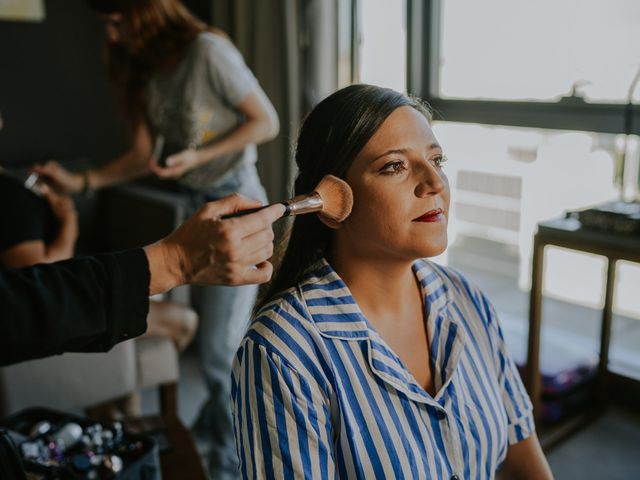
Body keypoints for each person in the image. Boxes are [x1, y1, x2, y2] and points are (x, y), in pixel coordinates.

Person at [231, 85, 554, 479]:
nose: (433, 181)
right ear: (331, 203)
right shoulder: (283, 352)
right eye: (394, 166)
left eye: (437, 159)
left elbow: (521, 449)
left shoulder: (468, 300)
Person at [33, 1, 279, 474]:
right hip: (193, 208)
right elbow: (141, 157)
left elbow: (265, 122)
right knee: (192, 333)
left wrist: (197, 155)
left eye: (117, 21)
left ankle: (230, 464)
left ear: (148, 12)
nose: (112, 35)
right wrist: (79, 183)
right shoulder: (143, 69)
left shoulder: (206, 52)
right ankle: (211, 430)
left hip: (236, 204)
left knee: (219, 351)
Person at [1, 194, 284, 366]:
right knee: (187, 323)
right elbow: (34, 292)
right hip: (71, 312)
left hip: (84, 303)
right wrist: (175, 261)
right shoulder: (10, 196)